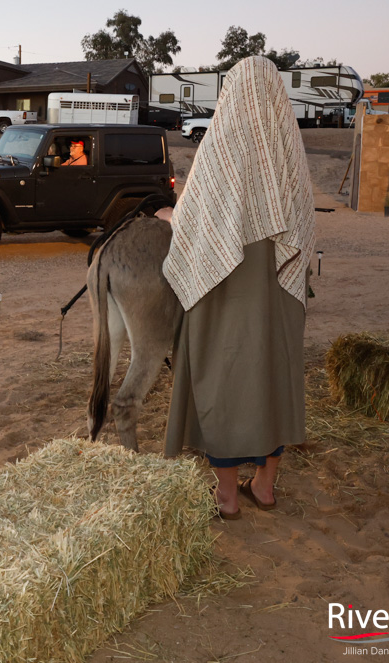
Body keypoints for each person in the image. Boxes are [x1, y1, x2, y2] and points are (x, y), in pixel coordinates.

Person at [159, 56, 315, 520]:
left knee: (222, 376)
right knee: (274, 375)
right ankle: (264, 487)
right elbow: (304, 224)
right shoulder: (290, 147)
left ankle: (227, 497)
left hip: (224, 283)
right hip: (277, 286)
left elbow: (195, 214)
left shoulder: (223, 143)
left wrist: (171, 217)